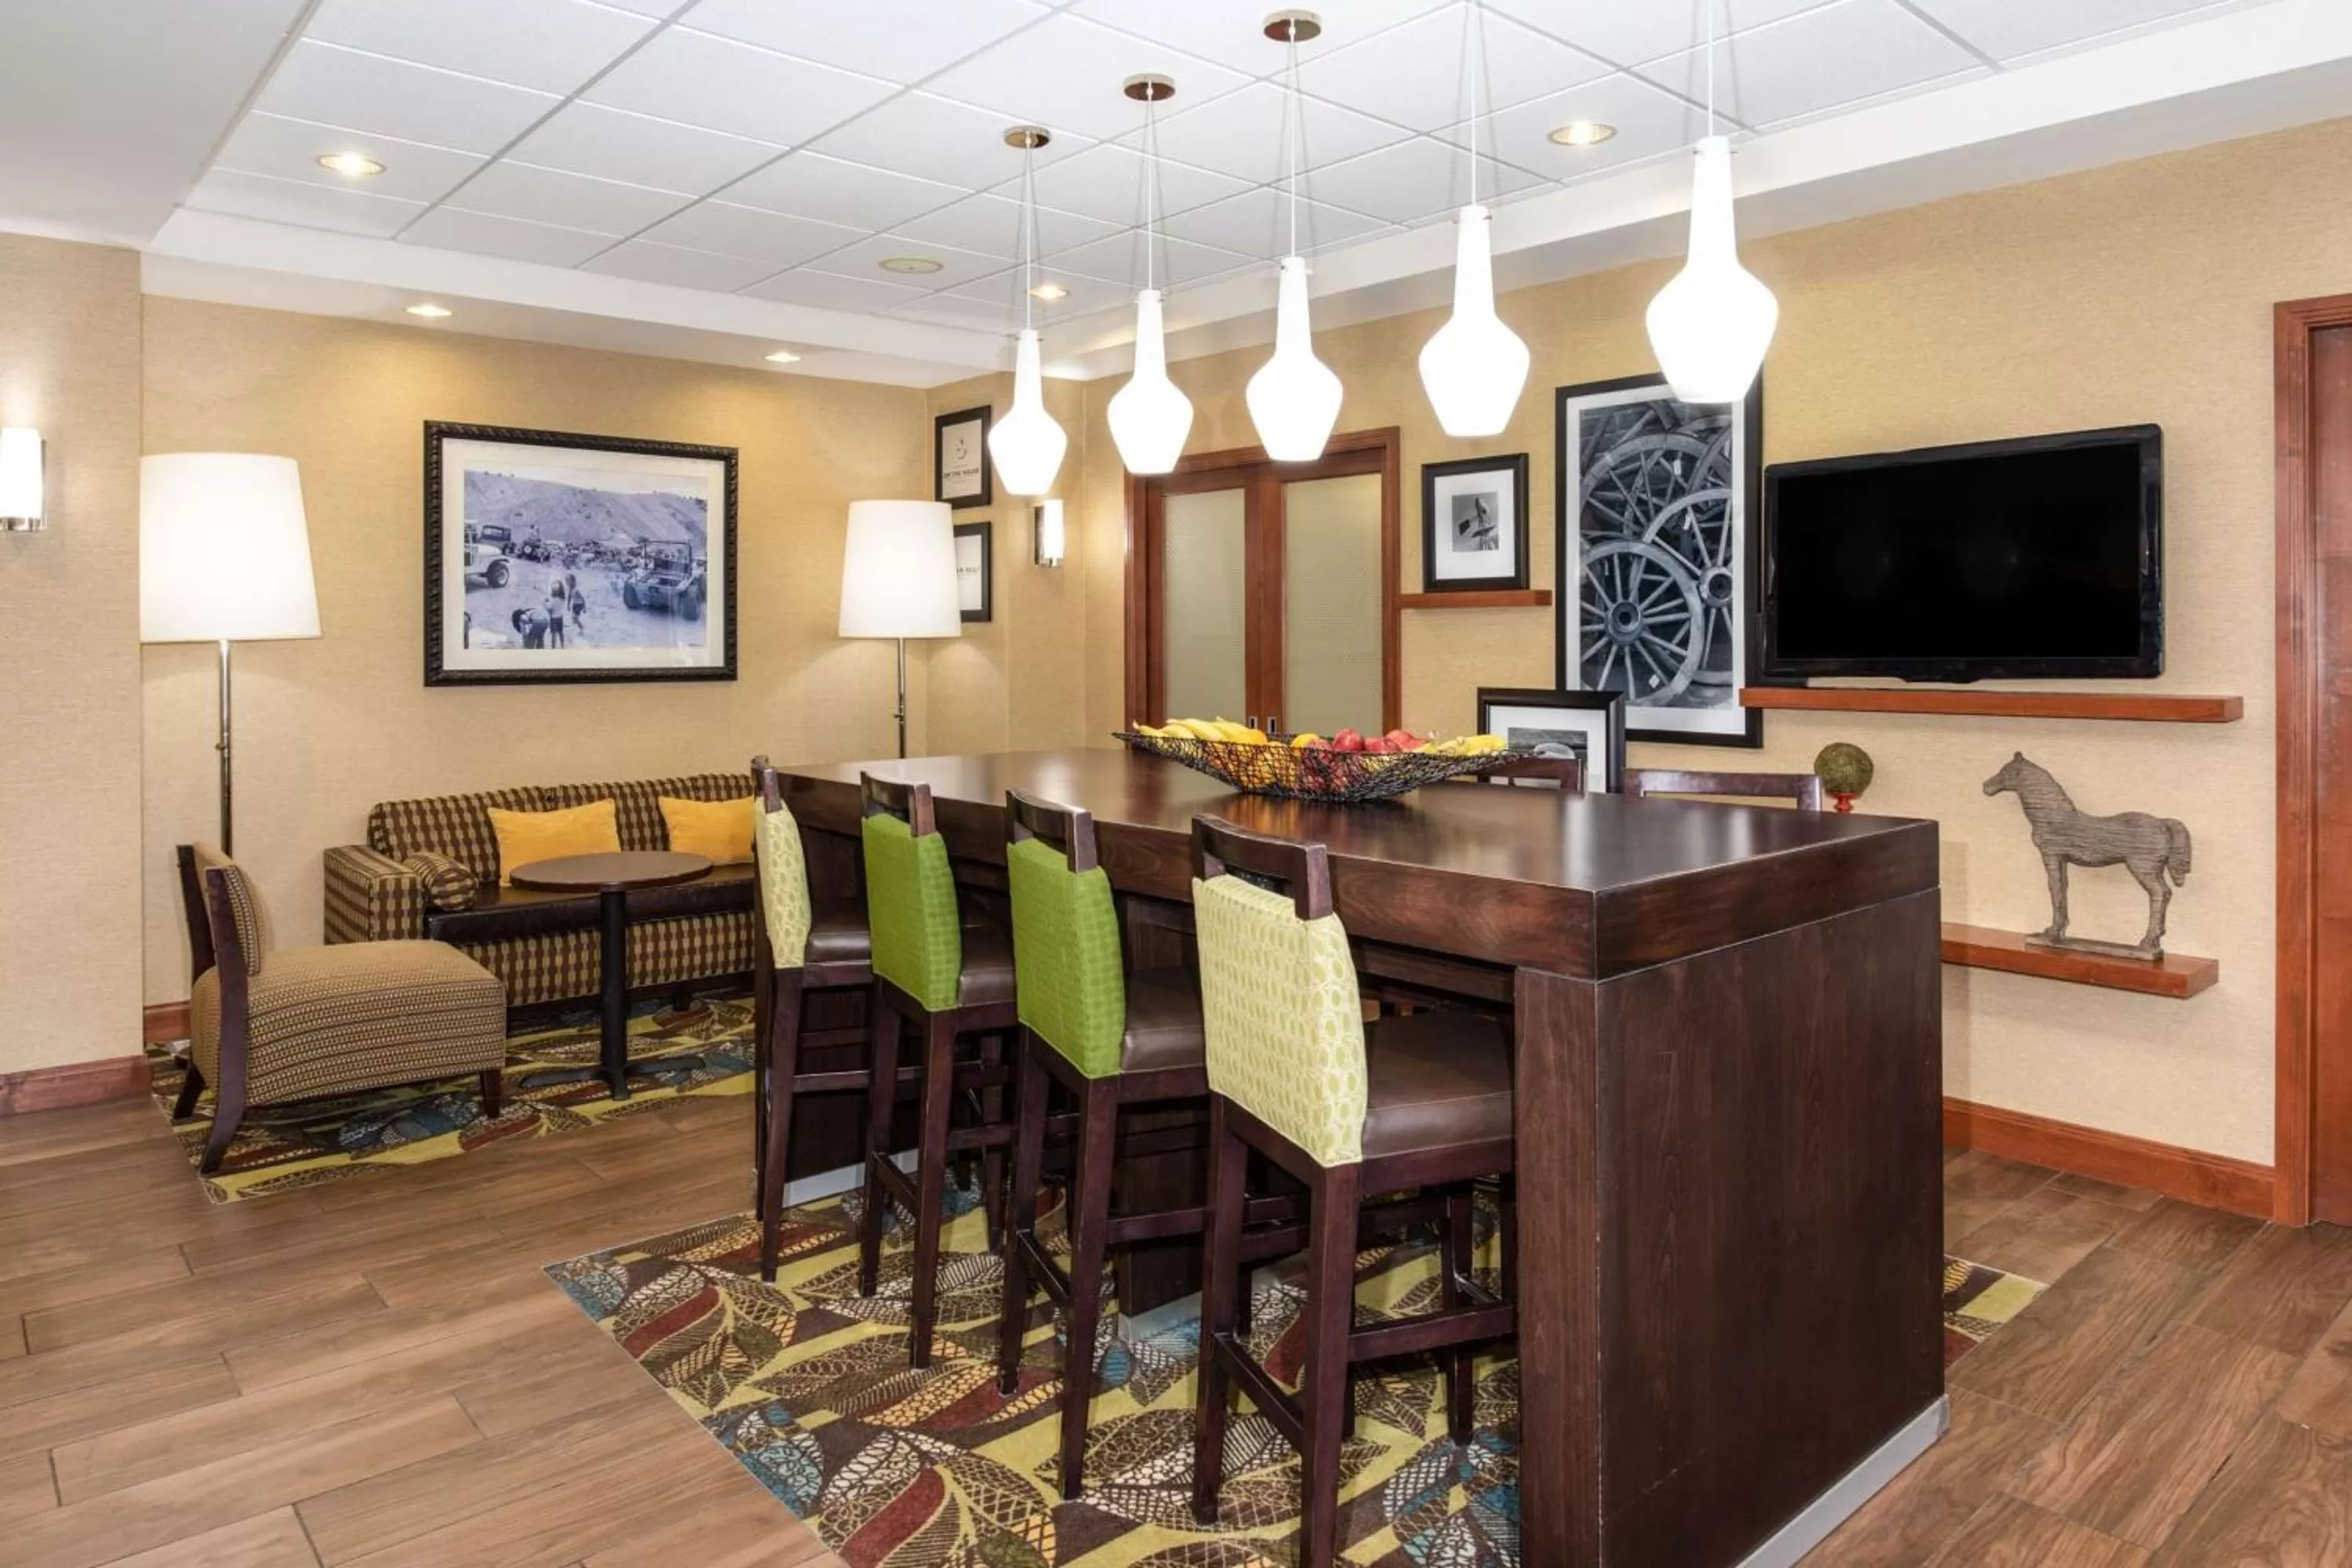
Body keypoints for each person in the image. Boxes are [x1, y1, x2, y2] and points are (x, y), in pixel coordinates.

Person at [544, 578, 568, 648]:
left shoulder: (553, 601)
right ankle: (562, 646)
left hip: (553, 619)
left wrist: (545, 604)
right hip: (560, 617)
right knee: (561, 633)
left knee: (554, 635)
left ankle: (553, 648)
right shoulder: (562, 599)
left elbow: (550, 611)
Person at [567, 572, 587, 636]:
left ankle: (582, 628)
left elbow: (583, 599)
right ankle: (578, 629)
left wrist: (584, 608)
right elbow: (569, 597)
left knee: (575, 618)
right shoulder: (570, 589)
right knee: (574, 619)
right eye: (566, 581)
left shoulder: (576, 590)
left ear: (573, 581)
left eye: (568, 581)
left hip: (579, 605)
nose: (567, 582)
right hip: (574, 605)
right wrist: (568, 605)